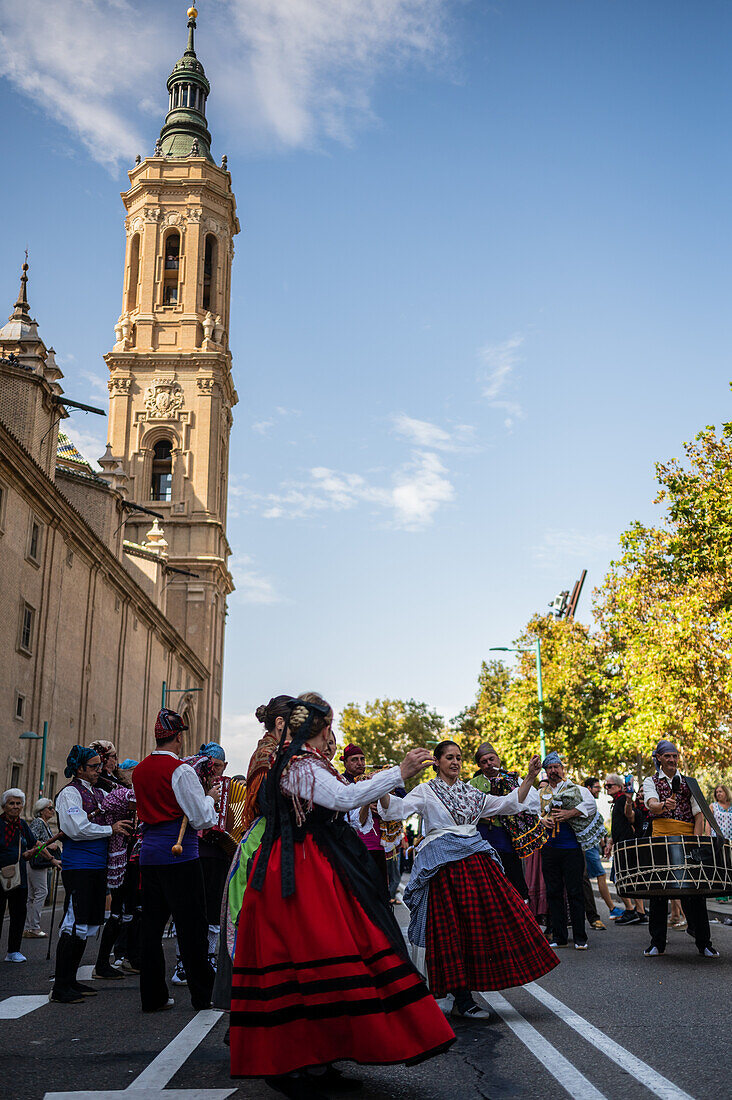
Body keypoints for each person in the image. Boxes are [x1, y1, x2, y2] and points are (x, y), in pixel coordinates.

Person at [230, 695, 455, 1096]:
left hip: (318, 865)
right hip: (299, 871)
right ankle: (293, 1063)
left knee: (329, 958)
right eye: (329, 724)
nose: (333, 732)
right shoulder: (296, 765)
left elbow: (343, 799)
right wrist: (397, 773)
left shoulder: (306, 762)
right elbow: (344, 798)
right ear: (319, 727)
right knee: (313, 958)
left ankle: (321, 1058)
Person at [382, 740, 558, 1018]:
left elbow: (508, 804)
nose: (455, 762)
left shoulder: (470, 792)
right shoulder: (426, 791)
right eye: (449, 757)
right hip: (443, 868)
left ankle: (471, 990)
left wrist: (530, 777)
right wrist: (381, 787)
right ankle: (461, 997)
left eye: (459, 758)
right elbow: (396, 810)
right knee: (449, 931)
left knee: (487, 923)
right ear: (437, 762)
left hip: (474, 862)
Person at [132, 708, 219, 1012]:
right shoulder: (181, 771)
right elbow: (201, 818)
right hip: (180, 855)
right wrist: (210, 796)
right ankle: (202, 994)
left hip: (149, 855)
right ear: (179, 738)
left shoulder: (140, 770)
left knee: (151, 930)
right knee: (191, 927)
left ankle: (152, 997)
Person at [51, 747, 132, 1003]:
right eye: (94, 766)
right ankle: (61, 986)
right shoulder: (70, 793)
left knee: (85, 926)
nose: (99, 770)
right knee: (74, 923)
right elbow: (76, 828)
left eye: (100, 765)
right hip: (79, 866)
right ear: (80, 768)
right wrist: (111, 828)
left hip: (97, 866)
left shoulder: (97, 792)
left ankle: (71, 980)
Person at [642, 739, 718, 958]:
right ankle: (657, 943)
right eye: (668, 756)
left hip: (687, 838)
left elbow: (699, 813)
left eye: (675, 756)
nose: (672, 760)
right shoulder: (651, 781)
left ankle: (704, 943)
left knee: (695, 891)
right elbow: (651, 804)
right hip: (660, 838)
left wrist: (696, 841)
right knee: (658, 890)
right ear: (659, 758)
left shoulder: (689, 782)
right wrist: (663, 805)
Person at [539, 752, 606, 951]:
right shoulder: (539, 793)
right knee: (553, 892)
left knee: (576, 892)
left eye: (556, 767)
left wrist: (570, 813)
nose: (553, 771)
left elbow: (591, 806)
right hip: (549, 849)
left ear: (562, 768)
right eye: (549, 768)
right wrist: (541, 820)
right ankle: (559, 936)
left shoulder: (576, 789)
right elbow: (530, 813)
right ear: (545, 772)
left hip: (572, 849)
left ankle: (580, 937)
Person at [470, 742, 546, 901]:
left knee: (514, 884)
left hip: (508, 840)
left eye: (491, 759)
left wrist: (510, 806)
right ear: (479, 765)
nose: (489, 764)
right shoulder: (471, 785)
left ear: (498, 759)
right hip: (482, 841)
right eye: (484, 762)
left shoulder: (514, 779)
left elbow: (533, 803)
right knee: (486, 887)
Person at [342, 744, 389, 886]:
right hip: (353, 845)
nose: (360, 763)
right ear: (345, 763)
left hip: (377, 845)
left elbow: (400, 796)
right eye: (354, 759)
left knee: (380, 891)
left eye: (362, 759)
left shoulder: (371, 780)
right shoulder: (341, 783)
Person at [604, 774, 646, 925]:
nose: (606, 788)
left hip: (626, 845)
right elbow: (618, 826)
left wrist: (628, 799)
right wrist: (610, 842)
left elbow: (630, 818)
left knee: (620, 877)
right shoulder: (618, 801)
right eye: (605, 786)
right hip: (622, 844)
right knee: (627, 878)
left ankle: (632, 910)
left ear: (619, 786)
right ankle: (638, 910)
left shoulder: (622, 800)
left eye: (609, 785)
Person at [0, 789, 36, 962]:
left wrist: (52, 859)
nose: (15, 807)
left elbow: (34, 844)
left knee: (18, 914)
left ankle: (13, 951)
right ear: (4, 806)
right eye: (11, 803)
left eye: (18, 803)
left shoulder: (22, 825)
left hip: (19, 878)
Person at [24, 797, 61, 938]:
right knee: (41, 892)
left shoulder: (44, 823)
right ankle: (33, 926)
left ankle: (29, 926)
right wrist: (49, 845)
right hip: (36, 863)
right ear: (41, 811)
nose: (52, 811)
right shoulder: (38, 823)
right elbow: (34, 841)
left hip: (40, 863)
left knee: (33, 895)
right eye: (50, 808)